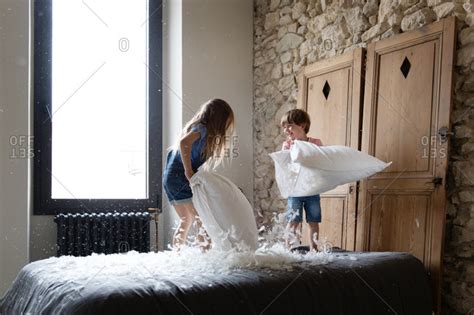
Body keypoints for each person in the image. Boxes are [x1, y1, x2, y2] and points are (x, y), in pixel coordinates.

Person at [163, 98, 235, 249]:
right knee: (201, 219)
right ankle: (205, 254)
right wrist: (188, 170)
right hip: (178, 178)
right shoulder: (202, 129)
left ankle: (176, 253)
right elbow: (184, 143)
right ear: (219, 118)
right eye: (226, 120)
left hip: (171, 178)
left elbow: (175, 152)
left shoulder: (200, 130)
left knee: (186, 219)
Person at [280, 109, 323, 251]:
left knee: (313, 221)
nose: (286, 130)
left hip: (312, 189)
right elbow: (286, 165)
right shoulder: (287, 145)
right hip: (295, 190)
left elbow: (323, 161)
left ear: (302, 125)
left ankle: (314, 249)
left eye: (289, 126)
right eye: (284, 127)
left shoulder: (316, 143)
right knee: (293, 221)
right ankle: (288, 249)